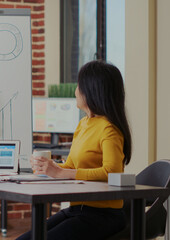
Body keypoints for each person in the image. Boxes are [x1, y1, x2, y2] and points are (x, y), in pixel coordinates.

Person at [17, 60, 132, 240]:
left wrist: (61, 173)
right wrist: (48, 167)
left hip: (103, 215)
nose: (76, 90)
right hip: (76, 210)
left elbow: (111, 171)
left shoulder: (109, 129)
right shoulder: (83, 124)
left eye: (79, 85)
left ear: (92, 90)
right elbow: (70, 165)